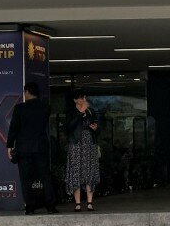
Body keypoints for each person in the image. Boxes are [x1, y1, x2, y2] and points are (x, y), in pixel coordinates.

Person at [6, 81, 58, 215]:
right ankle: (50, 207)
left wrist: (9, 146)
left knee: (25, 179)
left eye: (25, 92)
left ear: (27, 92)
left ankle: (29, 207)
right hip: (40, 147)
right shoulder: (45, 108)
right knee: (46, 177)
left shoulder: (19, 108)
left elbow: (14, 129)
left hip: (23, 149)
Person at [65, 90, 101, 211]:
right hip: (75, 144)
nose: (84, 100)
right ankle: (78, 203)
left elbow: (97, 125)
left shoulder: (90, 111)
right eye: (81, 98)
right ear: (75, 100)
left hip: (89, 143)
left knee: (89, 170)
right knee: (76, 171)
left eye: (85, 97)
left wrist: (95, 128)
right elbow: (69, 127)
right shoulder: (71, 112)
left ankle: (90, 202)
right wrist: (80, 113)